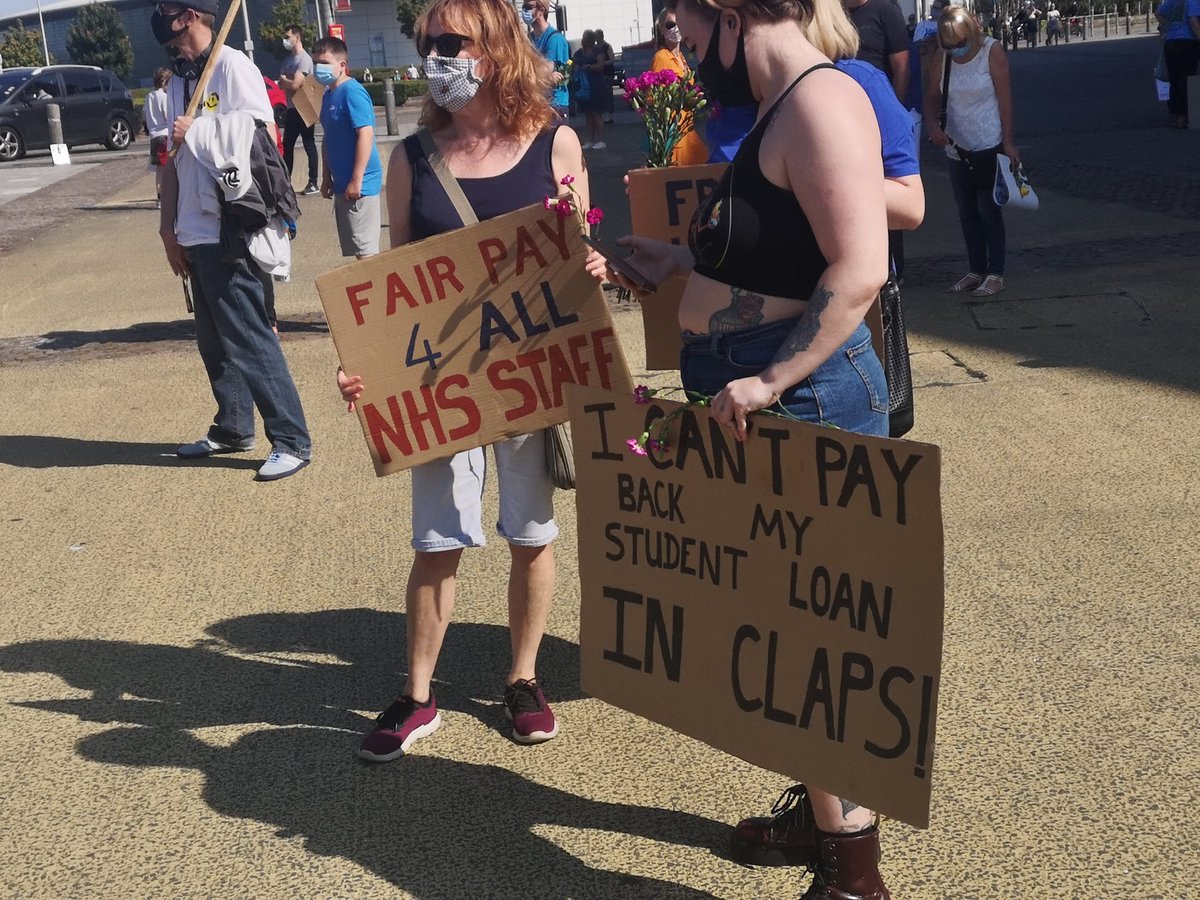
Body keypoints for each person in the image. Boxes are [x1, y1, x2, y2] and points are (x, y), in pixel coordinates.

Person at [594, 0, 901, 892]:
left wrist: (770, 380)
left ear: (727, 13)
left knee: (815, 647)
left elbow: (860, 268)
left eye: (687, 32)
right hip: (758, 397)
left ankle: (854, 874)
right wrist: (677, 264)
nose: (685, 56)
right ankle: (822, 823)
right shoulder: (775, 111)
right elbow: (776, 256)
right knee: (780, 631)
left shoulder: (819, 102)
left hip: (802, 400)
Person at [337, 0, 593, 761]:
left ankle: (522, 678)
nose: (438, 55)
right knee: (437, 537)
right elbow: (393, 287)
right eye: (430, 44)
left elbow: (577, 259)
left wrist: (598, 270)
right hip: (442, 383)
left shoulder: (556, 145)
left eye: (454, 41)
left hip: (528, 378)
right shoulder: (414, 159)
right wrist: (370, 370)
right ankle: (418, 694)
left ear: (497, 46)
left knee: (531, 530)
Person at [153, 0, 312, 481]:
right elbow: (173, 161)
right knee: (213, 340)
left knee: (247, 333)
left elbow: (261, 138)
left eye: (170, 13)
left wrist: (199, 129)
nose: (162, 23)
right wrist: (168, 227)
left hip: (232, 224)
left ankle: (291, 439)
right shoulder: (181, 79)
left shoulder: (233, 66)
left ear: (193, 15)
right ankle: (233, 425)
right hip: (193, 226)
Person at [925, 4, 1020, 297]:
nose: (956, 48)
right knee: (966, 211)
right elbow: (930, 95)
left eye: (960, 42)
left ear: (971, 32)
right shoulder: (942, 58)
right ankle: (976, 269)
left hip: (989, 142)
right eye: (949, 43)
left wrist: (1008, 141)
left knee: (987, 210)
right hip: (957, 146)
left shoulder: (992, 52)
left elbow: (1005, 100)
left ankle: (996, 273)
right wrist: (932, 125)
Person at [312, 37, 383, 259]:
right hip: (343, 184)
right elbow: (328, 137)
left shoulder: (353, 92)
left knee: (366, 253)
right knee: (357, 250)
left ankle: (376, 293)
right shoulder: (329, 94)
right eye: (315, 63)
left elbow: (366, 134)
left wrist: (357, 179)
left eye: (324, 62)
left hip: (361, 185)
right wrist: (326, 177)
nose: (318, 68)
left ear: (342, 65)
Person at [650, 8, 709, 165]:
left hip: (686, 127)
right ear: (661, 29)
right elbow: (655, 97)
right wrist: (682, 98)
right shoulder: (662, 58)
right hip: (673, 131)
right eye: (670, 25)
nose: (675, 28)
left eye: (679, 24)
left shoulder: (681, 57)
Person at [279, 24, 320, 195]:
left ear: (297, 37)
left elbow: (294, 84)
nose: (285, 40)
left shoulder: (304, 59)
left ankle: (313, 182)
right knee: (287, 146)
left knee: (309, 144)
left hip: (305, 107)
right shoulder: (288, 60)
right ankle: (286, 183)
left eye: (288, 37)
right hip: (291, 109)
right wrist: (290, 82)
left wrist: (288, 81)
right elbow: (283, 83)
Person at [845, 0, 910, 101]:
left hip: (876, 98)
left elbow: (901, 68)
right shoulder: (832, 11)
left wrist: (894, 107)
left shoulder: (887, 10)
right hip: (840, 96)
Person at [521, 0, 571, 118]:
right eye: (524, 7)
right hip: (536, 103)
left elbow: (544, 71)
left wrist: (529, 75)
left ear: (541, 11)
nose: (524, 11)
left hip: (554, 105)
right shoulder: (529, 39)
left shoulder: (554, 39)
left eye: (528, 7)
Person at [1156, 0, 1200, 128]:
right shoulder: (1194, 1)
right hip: (1187, 42)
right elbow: (1194, 23)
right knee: (1185, 79)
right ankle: (1183, 116)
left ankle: (1175, 115)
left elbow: (1158, 13)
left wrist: (1168, 29)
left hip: (1170, 42)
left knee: (1174, 79)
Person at [573, 30, 608, 148]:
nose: (584, 40)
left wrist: (588, 66)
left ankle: (601, 140)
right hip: (583, 86)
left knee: (596, 113)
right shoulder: (578, 53)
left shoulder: (598, 50)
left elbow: (600, 65)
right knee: (587, 114)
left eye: (587, 38)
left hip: (596, 84)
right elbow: (574, 64)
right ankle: (590, 140)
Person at [144, 67, 172, 209]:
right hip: (165, 135)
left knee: (159, 170)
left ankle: (160, 198)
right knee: (170, 168)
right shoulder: (164, 97)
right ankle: (170, 197)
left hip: (154, 136)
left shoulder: (149, 97)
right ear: (164, 82)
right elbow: (168, 116)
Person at [596, 28, 617, 123]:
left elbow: (612, 59)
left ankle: (609, 115)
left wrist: (602, 63)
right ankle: (603, 114)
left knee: (608, 94)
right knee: (601, 94)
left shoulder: (607, 46)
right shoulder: (595, 47)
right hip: (599, 73)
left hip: (607, 73)